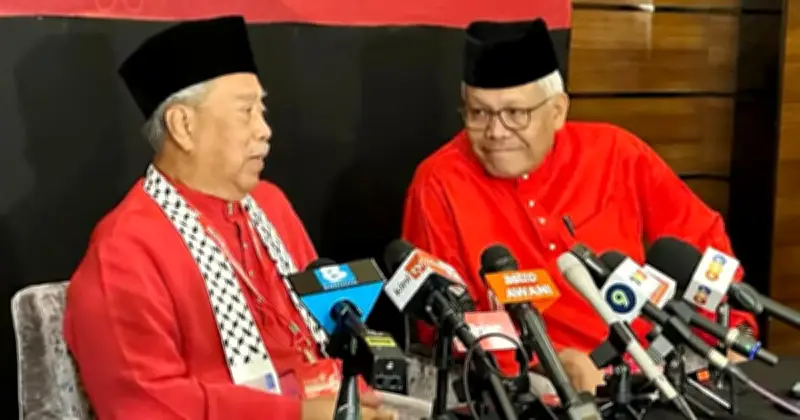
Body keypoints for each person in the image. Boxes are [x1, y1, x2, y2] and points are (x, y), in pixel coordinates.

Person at [63, 16, 395, 420]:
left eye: (262, 110)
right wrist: (301, 415)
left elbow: (320, 336)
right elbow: (146, 405)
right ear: (183, 126)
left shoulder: (270, 206)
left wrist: (355, 399)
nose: (265, 130)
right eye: (246, 112)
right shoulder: (124, 248)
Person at [401, 18, 758, 394]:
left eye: (516, 114)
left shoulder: (617, 152)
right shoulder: (438, 182)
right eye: (479, 113)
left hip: (653, 370)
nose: (496, 132)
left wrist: (734, 331)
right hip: (531, 389)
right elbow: (442, 322)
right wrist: (551, 367)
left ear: (557, 111)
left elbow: (703, 246)